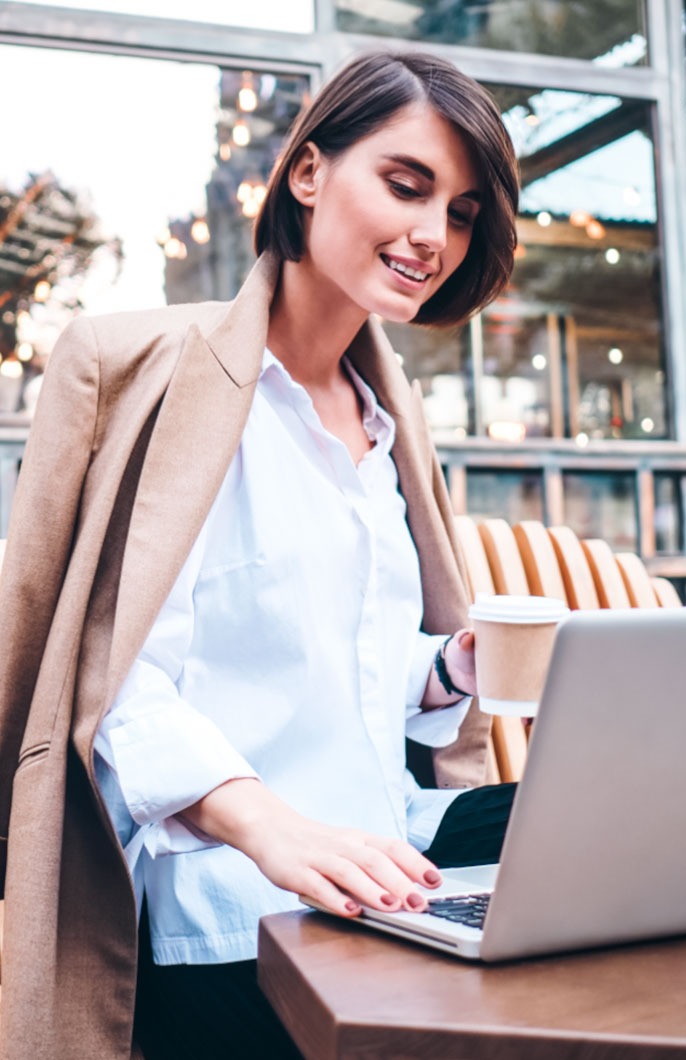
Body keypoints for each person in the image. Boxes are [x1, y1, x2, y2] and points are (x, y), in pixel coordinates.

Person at [0, 51, 520, 1060]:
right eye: (407, 185)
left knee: (632, 837)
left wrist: (448, 667)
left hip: (388, 862)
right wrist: (275, 829)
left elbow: (330, 657)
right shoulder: (164, 382)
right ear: (308, 172)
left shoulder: (388, 422)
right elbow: (118, 686)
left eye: (459, 212)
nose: (432, 235)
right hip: (232, 911)